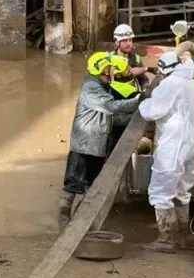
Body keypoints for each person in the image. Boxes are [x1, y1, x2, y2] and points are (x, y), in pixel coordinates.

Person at [58, 52, 148, 229]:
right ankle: (63, 221)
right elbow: (111, 107)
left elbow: (109, 118)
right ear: (101, 69)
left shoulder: (102, 86)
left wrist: (136, 118)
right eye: (109, 67)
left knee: (91, 185)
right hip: (84, 146)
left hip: (96, 145)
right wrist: (139, 100)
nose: (112, 70)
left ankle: (82, 221)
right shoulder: (91, 87)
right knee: (73, 184)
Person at [138, 51, 194, 252]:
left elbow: (153, 111)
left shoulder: (169, 84)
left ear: (163, 70)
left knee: (161, 190)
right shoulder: (191, 83)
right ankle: (182, 236)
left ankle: (166, 239)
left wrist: (143, 101)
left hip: (176, 141)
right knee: (183, 189)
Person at [109, 24, 160, 97]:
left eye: (130, 40)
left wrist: (145, 89)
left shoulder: (136, 59)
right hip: (114, 97)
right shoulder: (109, 59)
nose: (129, 43)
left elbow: (142, 80)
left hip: (133, 96)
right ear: (117, 42)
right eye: (125, 41)